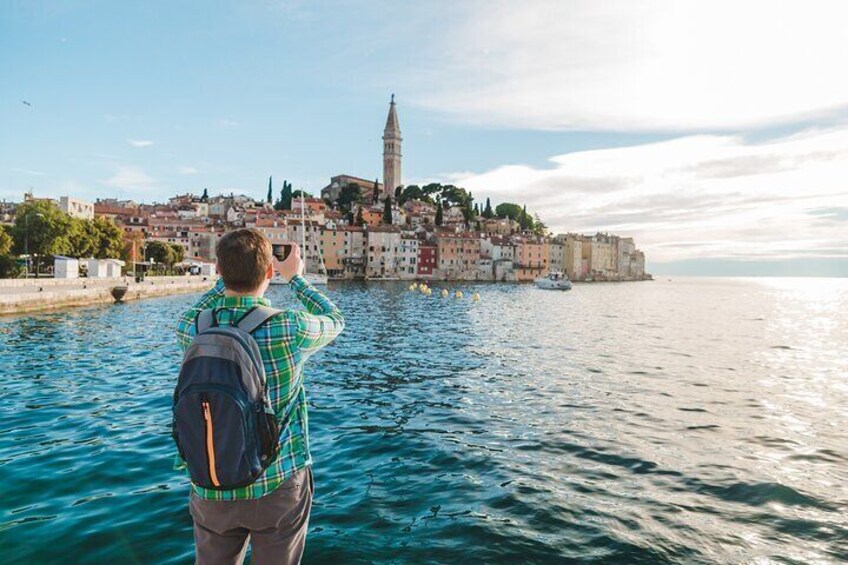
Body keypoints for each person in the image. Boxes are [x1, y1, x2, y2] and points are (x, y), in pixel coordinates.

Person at [175, 229, 345, 564]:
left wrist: (223, 281)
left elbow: (205, 303)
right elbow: (335, 319)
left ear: (219, 271)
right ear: (269, 271)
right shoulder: (289, 327)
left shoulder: (191, 327)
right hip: (278, 483)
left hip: (211, 482)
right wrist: (295, 278)